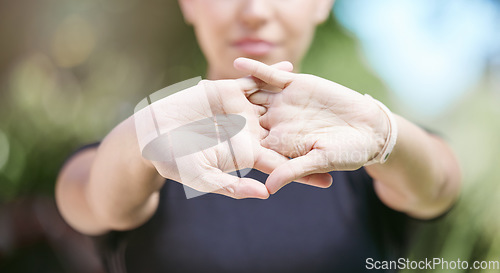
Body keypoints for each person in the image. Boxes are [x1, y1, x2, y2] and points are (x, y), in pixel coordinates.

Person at [55, 0, 461, 272]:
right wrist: (146, 137)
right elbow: (89, 196)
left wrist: (386, 136)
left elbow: (440, 183)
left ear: (322, 4)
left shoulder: (363, 145)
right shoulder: (137, 156)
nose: (254, 11)